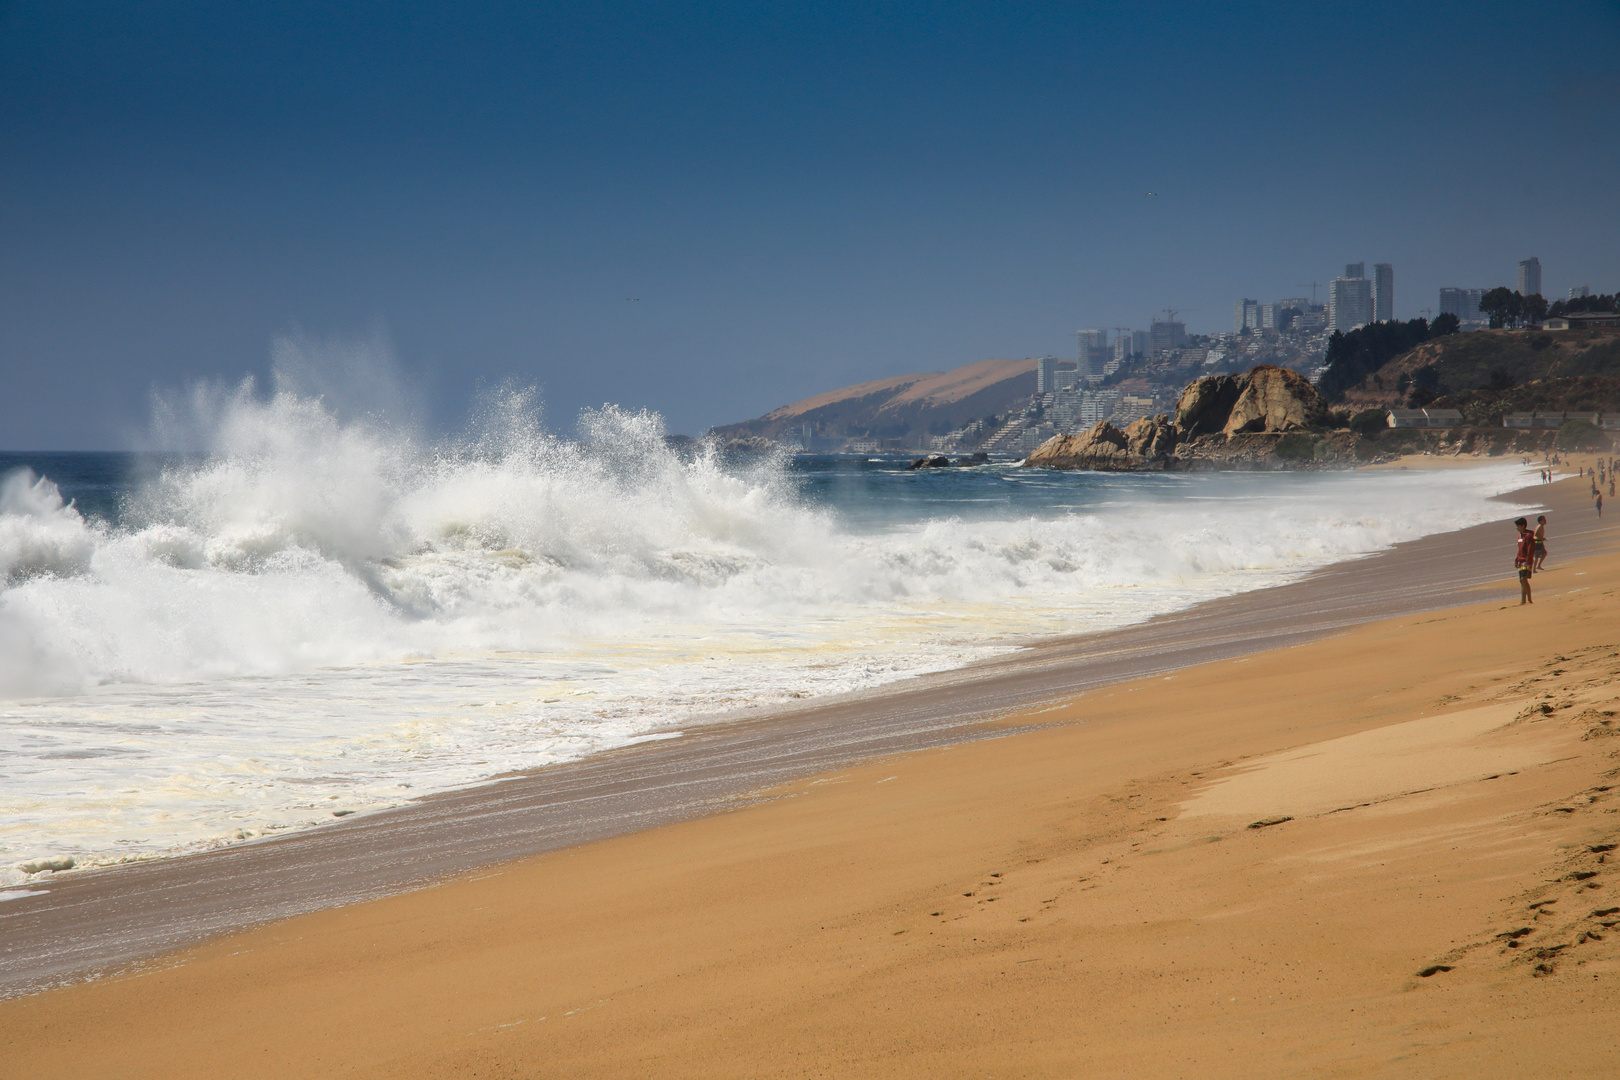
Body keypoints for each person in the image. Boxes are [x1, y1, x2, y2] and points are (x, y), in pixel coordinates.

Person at [1514, 518, 1535, 605]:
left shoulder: (1528, 536)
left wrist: (1529, 563)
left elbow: (1530, 550)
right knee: (1521, 580)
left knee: (1524, 579)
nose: (1516, 528)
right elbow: (1519, 549)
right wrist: (1516, 559)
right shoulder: (1519, 536)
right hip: (1521, 560)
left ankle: (1529, 599)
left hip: (1527, 560)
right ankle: (1523, 600)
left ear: (1523, 526)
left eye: (1518, 526)